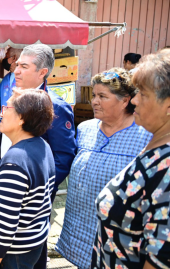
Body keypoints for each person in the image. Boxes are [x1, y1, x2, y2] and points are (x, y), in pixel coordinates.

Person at [0, 44, 76, 269]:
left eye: (23, 66)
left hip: (30, 205)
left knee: (28, 256)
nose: (15, 71)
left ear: (42, 72)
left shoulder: (55, 106)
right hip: (8, 192)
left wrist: (35, 190)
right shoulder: (16, 98)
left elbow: (63, 157)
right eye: (16, 65)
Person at [55, 68, 152, 268]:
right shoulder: (85, 129)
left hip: (118, 230)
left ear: (125, 100)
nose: (94, 101)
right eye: (94, 95)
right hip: (80, 223)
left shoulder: (144, 135)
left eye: (102, 96)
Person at [92, 49, 170, 268]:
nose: (134, 100)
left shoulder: (167, 166)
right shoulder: (155, 144)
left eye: (143, 94)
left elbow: (160, 259)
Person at [0, 89, 55, 269]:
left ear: (22, 118)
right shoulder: (42, 145)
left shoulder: (15, 162)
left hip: (12, 254)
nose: (2, 113)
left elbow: (6, 222)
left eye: (7, 108)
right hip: (31, 244)